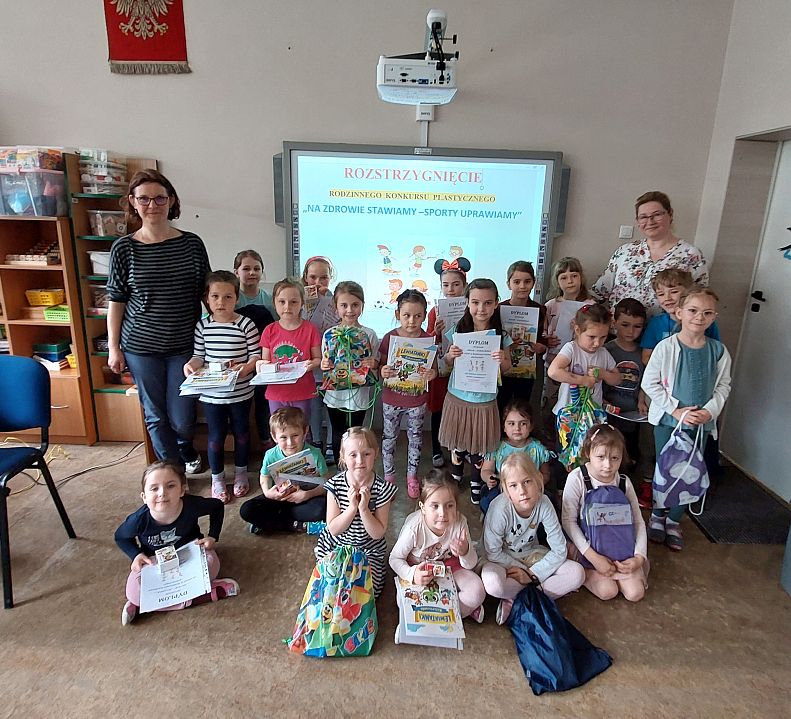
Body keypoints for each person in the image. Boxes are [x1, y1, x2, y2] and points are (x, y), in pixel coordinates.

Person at [107, 169, 209, 473]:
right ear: (133, 202)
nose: (152, 205)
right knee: (155, 415)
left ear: (171, 200)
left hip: (184, 346)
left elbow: (208, 293)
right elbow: (116, 301)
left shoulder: (191, 244)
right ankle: (173, 474)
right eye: (144, 199)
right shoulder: (123, 248)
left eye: (160, 198)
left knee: (182, 418)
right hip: (140, 347)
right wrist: (113, 348)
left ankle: (183, 446)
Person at [642, 287, 732, 551]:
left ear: (713, 317)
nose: (699, 317)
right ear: (680, 312)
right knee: (666, 469)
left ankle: (674, 519)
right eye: (693, 310)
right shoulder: (666, 347)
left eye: (707, 313)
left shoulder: (718, 351)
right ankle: (657, 515)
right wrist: (676, 410)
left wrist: (709, 411)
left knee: (689, 472)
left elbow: (723, 386)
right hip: (669, 423)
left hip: (700, 425)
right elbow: (650, 383)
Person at [114, 460, 239, 626]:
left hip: (190, 553)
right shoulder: (138, 521)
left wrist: (212, 537)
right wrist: (136, 554)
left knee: (212, 563)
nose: (162, 493)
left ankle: (146, 606)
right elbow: (120, 537)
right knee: (133, 591)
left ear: (182, 490)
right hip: (154, 561)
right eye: (154, 488)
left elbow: (216, 506)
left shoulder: (192, 505)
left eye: (170, 486)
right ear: (144, 497)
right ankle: (205, 595)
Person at [481, 453, 585, 625]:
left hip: (532, 556)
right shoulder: (499, 509)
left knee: (577, 573)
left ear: (538, 480)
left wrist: (532, 574)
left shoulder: (544, 503)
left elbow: (560, 549)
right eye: (513, 485)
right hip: (502, 561)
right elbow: (493, 552)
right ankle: (533, 596)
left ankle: (516, 600)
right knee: (492, 583)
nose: (522, 491)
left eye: (527, 482)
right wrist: (524, 572)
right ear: (506, 490)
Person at [184, 271, 261, 502]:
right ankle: (217, 478)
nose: (221, 302)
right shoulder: (203, 326)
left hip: (241, 393)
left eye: (228, 297)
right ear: (207, 298)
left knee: (242, 434)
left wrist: (246, 368)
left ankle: (241, 474)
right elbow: (199, 356)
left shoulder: (246, 324)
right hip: (212, 396)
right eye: (215, 296)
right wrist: (190, 365)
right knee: (215, 437)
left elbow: (255, 356)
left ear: (236, 298)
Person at [438, 278, 512, 505]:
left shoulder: (501, 335)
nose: (481, 308)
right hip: (458, 397)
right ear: (467, 303)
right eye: (476, 302)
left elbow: (507, 368)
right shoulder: (457, 331)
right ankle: (456, 473)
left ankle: (475, 480)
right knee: (458, 441)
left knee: (479, 443)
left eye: (488, 303)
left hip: (485, 399)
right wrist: (450, 355)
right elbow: (446, 362)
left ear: (496, 303)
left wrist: (502, 359)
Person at [561, 425, 648, 602]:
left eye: (615, 458)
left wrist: (639, 557)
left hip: (621, 549)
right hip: (589, 549)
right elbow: (568, 521)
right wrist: (593, 557)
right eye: (600, 457)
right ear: (588, 453)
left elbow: (638, 521)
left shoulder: (623, 482)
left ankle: (623, 573)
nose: (608, 465)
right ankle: (584, 568)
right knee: (607, 591)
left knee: (635, 593)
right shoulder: (577, 478)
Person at [591, 191, 709, 316]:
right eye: (643, 217)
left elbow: (701, 301)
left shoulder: (690, 255)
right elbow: (599, 292)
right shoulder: (624, 252)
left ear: (670, 214)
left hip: (665, 327)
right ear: (637, 221)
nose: (650, 221)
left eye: (657, 215)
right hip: (619, 327)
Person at [389, 470, 486, 622]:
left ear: (456, 506)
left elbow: (470, 564)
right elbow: (394, 558)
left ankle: (451, 612)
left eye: (449, 505)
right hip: (419, 568)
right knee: (402, 604)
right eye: (435, 506)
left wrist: (465, 551)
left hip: (449, 566)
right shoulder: (414, 528)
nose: (443, 513)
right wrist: (412, 574)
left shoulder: (460, 523)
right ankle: (459, 609)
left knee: (477, 592)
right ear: (423, 507)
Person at [314, 427, 397, 598]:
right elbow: (334, 529)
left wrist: (364, 510)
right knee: (330, 585)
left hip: (369, 549)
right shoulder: (335, 485)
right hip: (337, 544)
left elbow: (377, 533)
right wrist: (352, 508)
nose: (360, 461)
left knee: (368, 590)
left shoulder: (382, 489)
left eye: (366, 454)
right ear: (343, 457)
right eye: (353, 455)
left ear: (376, 454)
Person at [379, 289, 437, 497]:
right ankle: (389, 476)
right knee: (389, 437)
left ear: (424, 315)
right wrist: (383, 371)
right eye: (406, 315)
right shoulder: (389, 338)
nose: (412, 321)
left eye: (418, 316)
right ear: (398, 314)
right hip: (391, 399)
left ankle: (412, 477)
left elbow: (434, 369)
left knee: (415, 438)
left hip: (417, 401)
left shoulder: (428, 339)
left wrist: (432, 374)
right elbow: (381, 366)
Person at [240, 407, 328, 534]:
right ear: (274, 437)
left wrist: (307, 494)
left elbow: (326, 483)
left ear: (305, 431)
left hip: (305, 497)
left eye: (295, 435)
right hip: (280, 498)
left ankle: (270, 522)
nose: (290, 443)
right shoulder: (270, 455)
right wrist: (267, 493)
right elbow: (264, 476)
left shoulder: (315, 454)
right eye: (283, 437)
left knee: (322, 508)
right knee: (246, 509)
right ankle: (297, 525)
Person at [320, 281, 380, 464]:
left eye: (355, 305)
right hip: (335, 395)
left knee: (356, 434)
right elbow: (325, 361)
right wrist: (324, 364)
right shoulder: (329, 334)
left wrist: (373, 364)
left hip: (359, 394)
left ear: (362, 305)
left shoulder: (369, 334)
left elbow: (375, 364)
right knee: (338, 432)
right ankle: (342, 469)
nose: (349, 310)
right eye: (344, 305)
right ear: (335, 307)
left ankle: (354, 468)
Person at [257, 278, 322, 437]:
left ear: (302, 303)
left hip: (302, 391)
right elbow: (265, 362)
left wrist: (311, 364)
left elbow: (318, 359)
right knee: (279, 432)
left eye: (293, 302)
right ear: (274, 303)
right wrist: (260, 365)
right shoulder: (269, 330)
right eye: (282, 302)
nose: (287, 307)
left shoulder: (310, 329)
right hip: (276, 393)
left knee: (301, 432)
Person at [426, 257, 470, 468]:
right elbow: (427, 342)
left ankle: (461, 449)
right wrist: (435, 332)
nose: (450, 289)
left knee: (463, 409)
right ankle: (436, 449)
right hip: (442, 365)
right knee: (439, 408)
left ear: (464, 285)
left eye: (456, 284)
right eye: (446, 285)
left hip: (465, 367)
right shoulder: (435, 311)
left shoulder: (472, 308)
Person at [479, 399, 553, 514]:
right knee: (487, 502)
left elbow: (545, 473)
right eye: (511, 423)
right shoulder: (497, 448)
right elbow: (486, 470)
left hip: (529, 490)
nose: (517, 428)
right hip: (503, 489)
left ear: (531, 426)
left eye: (523, 423)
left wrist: (537, 484)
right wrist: (488, 477)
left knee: (548, 503)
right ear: (504, 426)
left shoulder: (538, 449)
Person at [548, 304, 622, 416]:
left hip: (592, 413)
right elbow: (553, 372)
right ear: (577, 330)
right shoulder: (571, 349)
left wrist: (604, 374)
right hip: (568, 413)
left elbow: (617, 379)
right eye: (592, 337)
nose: (597, 343)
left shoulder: (603, 353)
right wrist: (583, 380)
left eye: (603, 337)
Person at [543, 257, 595, 415]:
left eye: (574, 276)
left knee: (574, 401)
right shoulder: (551, 305)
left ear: (581, 277)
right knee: (551, 400)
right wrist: (547, 340)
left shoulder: (591, 306)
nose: (570, 281)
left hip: (580, 363)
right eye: (564, 278)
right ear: (557, 282)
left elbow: (596, 333)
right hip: (553, 360)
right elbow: (543, 331)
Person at [603, 298, 649, 474]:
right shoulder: (606, 350)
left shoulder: (643, 353)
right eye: (625, 325)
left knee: (629, 456)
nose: (630, 331)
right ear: (614, 323)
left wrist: (642, 400)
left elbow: (646, 380)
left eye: (637, 326)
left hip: (632, 414)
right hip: (608, 412)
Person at [640, 268, 721, 365]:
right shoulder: (656, 323)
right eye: (661, 294)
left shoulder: (704, 321)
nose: (667, 298)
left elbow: (716, 354)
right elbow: (646, 357)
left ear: (688, 293)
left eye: (674, 292)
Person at [301, 256, 338, 465]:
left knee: (331, 406)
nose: (317, 282)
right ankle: (316, 441)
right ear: (305, 277)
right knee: (314, 406)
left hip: (332, 364)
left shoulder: (335, 300)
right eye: (313, 277)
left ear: (330, 278)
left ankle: (331, 443)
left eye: (323, 278)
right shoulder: (301, 300)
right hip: (310, 364)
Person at [498, 260, 548, 412]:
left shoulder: (540, 310)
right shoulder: (499, 309)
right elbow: (494, 337)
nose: (522, 286)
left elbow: (543, 338)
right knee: (501, 406)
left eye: (527, 281)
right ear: (508, 284)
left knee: (523, 408)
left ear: (533, 283)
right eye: (516, 282)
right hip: (503, 369)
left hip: (527, 369)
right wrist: (506, 344)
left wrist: (541, 347)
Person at [233, 249, 277, 318]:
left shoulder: (270, 300)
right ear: (236, 273)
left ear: (262, 272)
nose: (252, 273)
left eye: (256, 269)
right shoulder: (231, 298)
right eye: (246, 269)